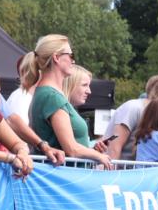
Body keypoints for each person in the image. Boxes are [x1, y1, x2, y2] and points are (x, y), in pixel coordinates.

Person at [27, 35, 111, 168]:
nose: (73, 60)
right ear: (56, 57)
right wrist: (99, 156)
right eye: (71, 55)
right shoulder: (52, 96)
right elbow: (72, 149)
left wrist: (91, 151)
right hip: (64, 176)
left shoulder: (47, 93)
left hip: (64, 174)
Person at [102, 74, 158, 161]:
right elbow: (114, 143)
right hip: (118, 167)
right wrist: (112, 169)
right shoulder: (133, 108)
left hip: (136, 168)